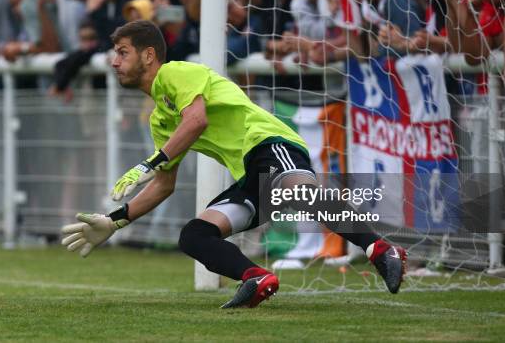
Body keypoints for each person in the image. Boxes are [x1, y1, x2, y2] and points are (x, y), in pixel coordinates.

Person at [60, 20, 408, 308]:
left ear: (148, 55)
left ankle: (379, 248)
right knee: (195, 235)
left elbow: (196, 121)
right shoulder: (160, 120)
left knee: (300, 191)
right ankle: (256, 277)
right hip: (249, 174)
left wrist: (150, 162)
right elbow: (164, 184)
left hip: (269, 143)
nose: (114, 62)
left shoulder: (175, 73)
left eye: (123, 53)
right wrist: (115, 220)